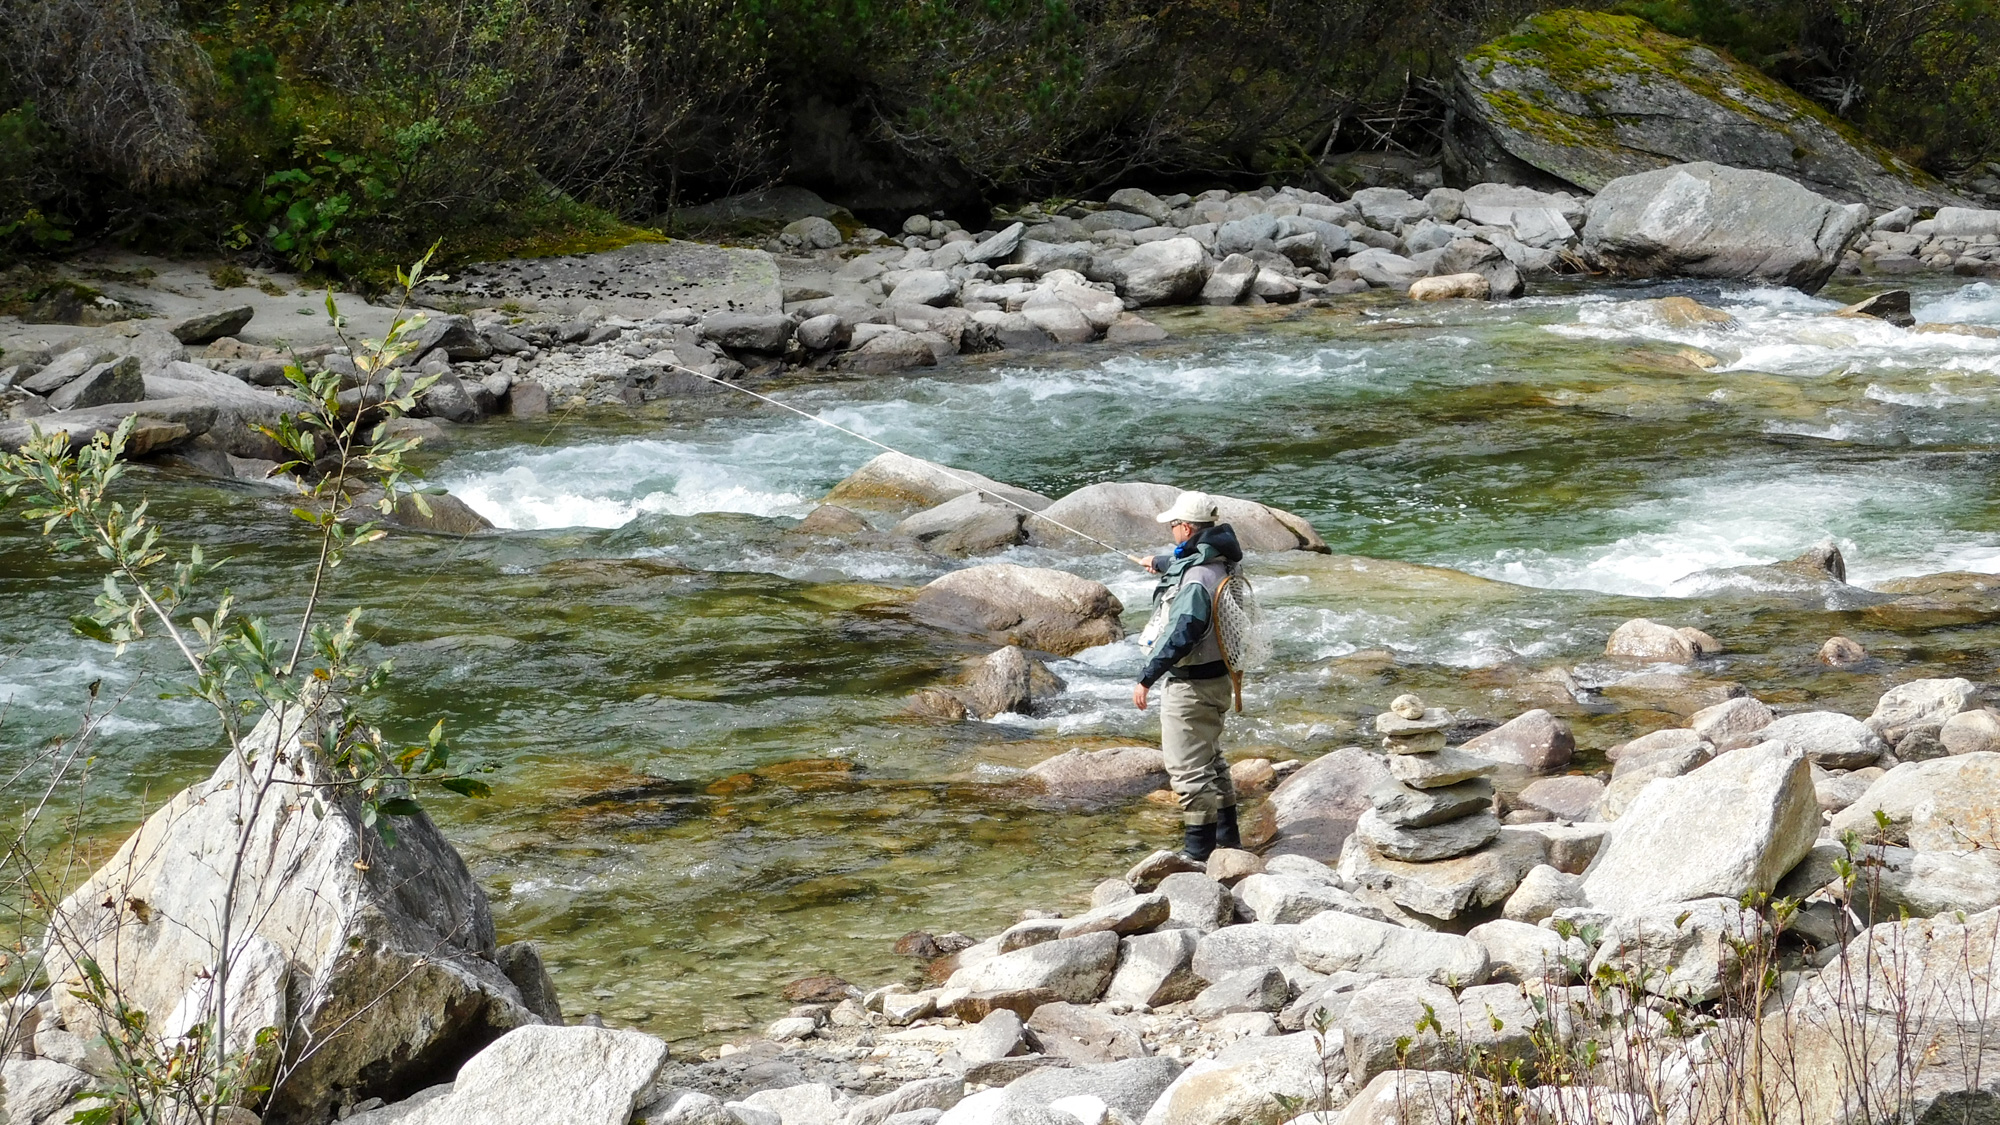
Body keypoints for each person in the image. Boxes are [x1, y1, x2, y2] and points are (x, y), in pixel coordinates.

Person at [1129, 491, 1243, 861]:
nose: (1173, 531)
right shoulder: (1224, 559)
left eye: (1175, 525)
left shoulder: (1196, 580)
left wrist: (1147, 677)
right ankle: (1229, 845)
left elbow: (1185, 631)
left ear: (1188, 527)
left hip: (1191, 687)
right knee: (1212, 760)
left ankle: (1199, 856)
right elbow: (1191, 565)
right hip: (1220, 680)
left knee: (1188, 772)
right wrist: (1160, 562)